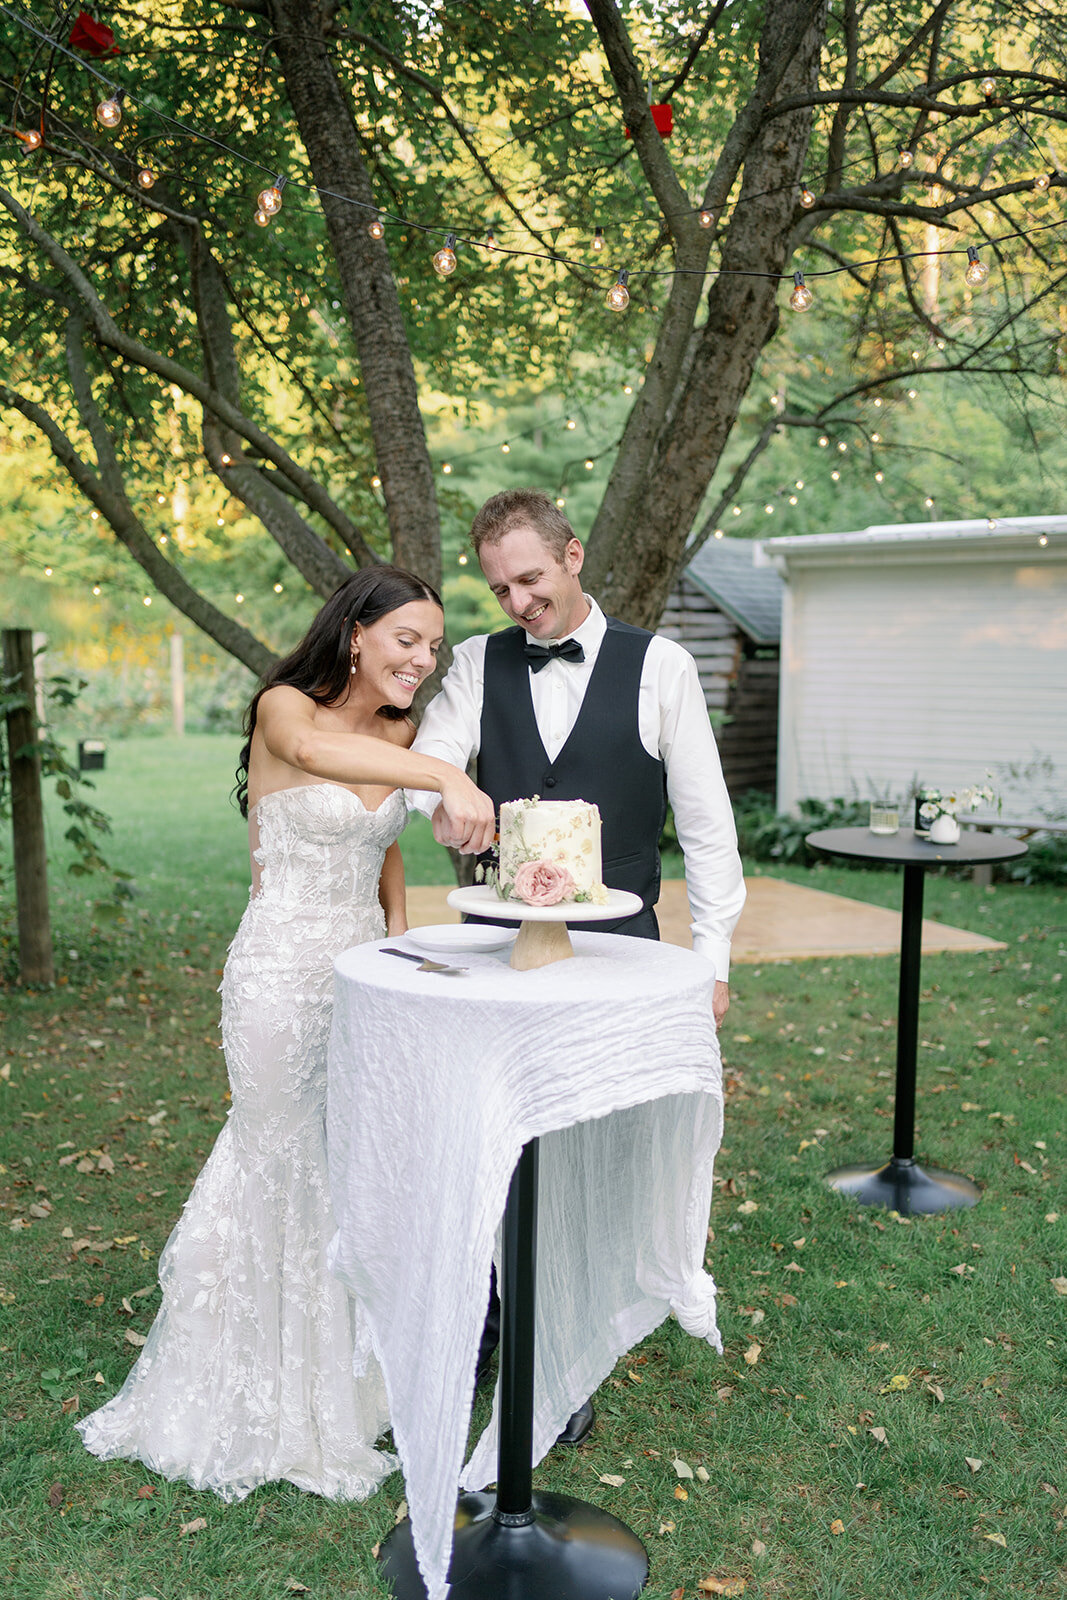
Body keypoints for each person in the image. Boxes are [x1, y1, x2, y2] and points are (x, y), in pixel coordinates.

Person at [77, 566, 495, 1501]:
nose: (422, 663)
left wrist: (399, 942)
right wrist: (442, 772)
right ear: (356, 634)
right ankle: (236, 1383)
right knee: (272, 1154)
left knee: (345, 1165)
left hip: (362, 976)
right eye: (407, 642)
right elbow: (317, 760)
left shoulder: (399, 731)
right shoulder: (283, 710)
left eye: (432, 648)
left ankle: (341, 1387)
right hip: (276, 976)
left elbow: (384, 845)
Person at [409, 489, 746, 1442]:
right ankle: (489, 1315)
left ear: (573, 555)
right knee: (493, 1132)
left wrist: (712, 957)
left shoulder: (661, 666)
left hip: (620, 952)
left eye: (530, 578)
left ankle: (564, 1343)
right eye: (499, 587)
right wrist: (442, 787)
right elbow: (431, 759)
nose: (516, 602)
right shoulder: (474, 665)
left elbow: (710, 832)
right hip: (499, 947)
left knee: (590, 1146)